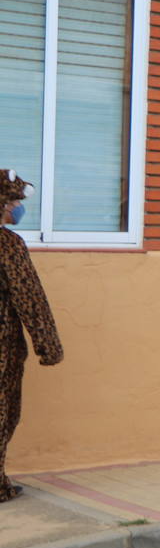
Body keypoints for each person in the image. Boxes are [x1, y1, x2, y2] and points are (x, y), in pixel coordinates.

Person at [0, 170, 63, 503]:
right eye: (13, 201)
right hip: (2, 347)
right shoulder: (8, 245)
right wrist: (48, 346)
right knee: (3, 411)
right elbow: (29, 298)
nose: (17, 209)